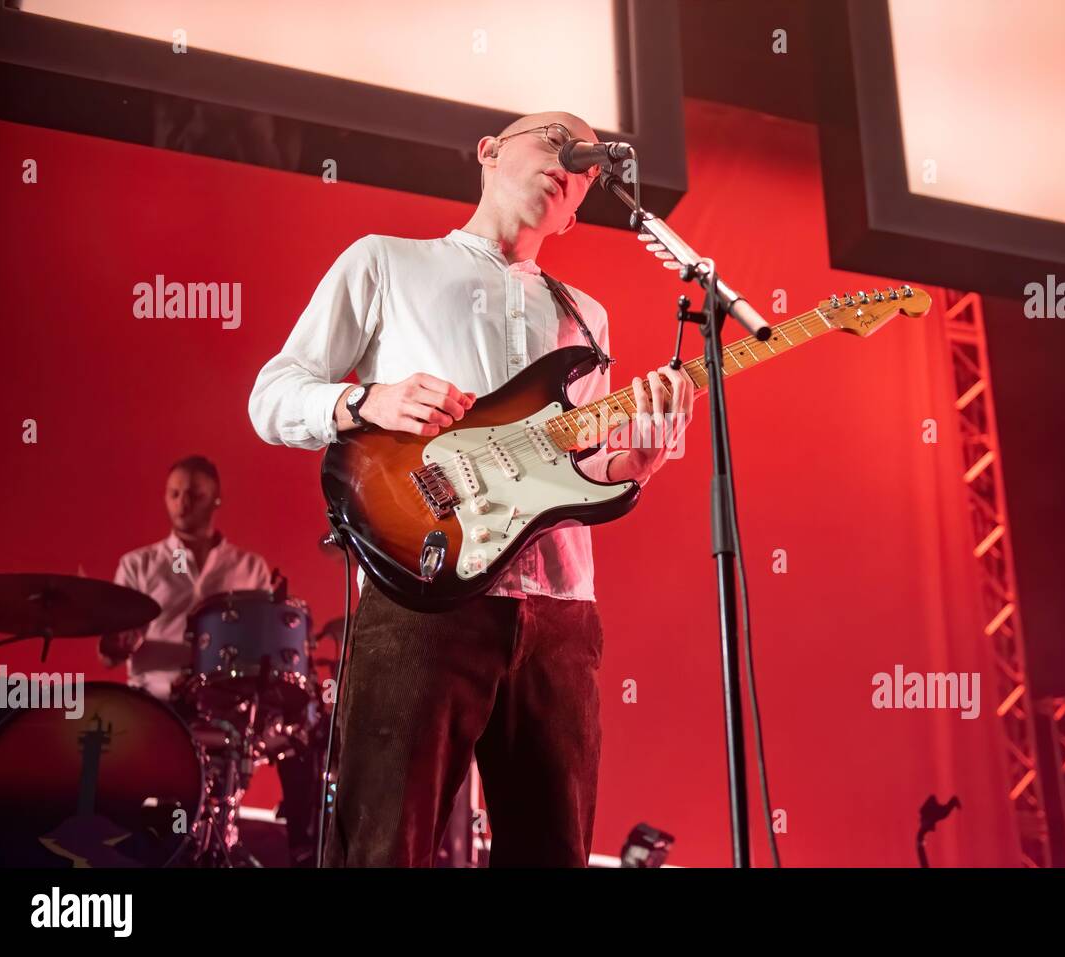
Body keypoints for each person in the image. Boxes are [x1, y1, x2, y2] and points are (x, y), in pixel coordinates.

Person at [248, 110, 695, 867]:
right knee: (386, 845)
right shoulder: (385, 262)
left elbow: (577, 471)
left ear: (581, 207)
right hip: (421, 589)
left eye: (585, 166)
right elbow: (271, 394)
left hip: (559, 610)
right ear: (488, 153)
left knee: (554, 850)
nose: (572, 160)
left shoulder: (587, 317)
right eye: (555, 138)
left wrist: (634, 468)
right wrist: (367, 402)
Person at [99, 455, 318, 866]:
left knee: (302, 732)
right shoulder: (138, 565)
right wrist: (119, 644)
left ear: (216, 499)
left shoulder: (248, 567)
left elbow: (262, 649)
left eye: (195, 495)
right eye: (175, 494)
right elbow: (110, 653)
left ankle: (302, 850)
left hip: (223, 707)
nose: (183, 504)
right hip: (154, 704)